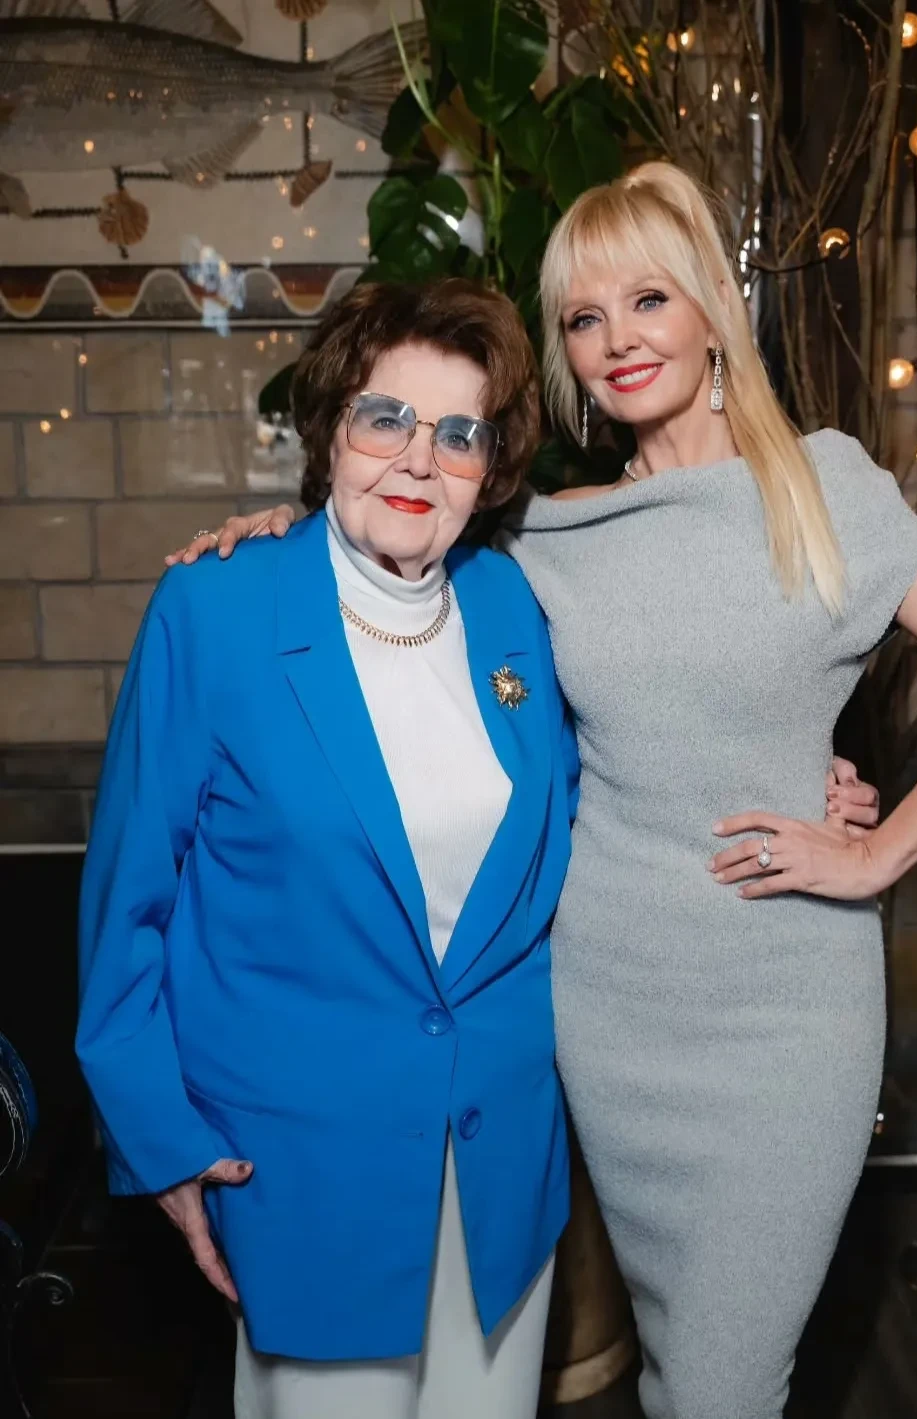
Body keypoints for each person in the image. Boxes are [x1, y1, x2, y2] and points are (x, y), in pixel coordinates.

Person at [162, 161, 917, 1419]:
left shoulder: (828, 492)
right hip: (604, 1005)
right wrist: (274, 534)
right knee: (669, 1366)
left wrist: (876, 850)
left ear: (711, 311)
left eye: (649, 299)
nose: (619, 339)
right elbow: (393, 544)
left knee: (726, 1378)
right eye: (585, 317)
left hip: (784, 1015)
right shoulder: (544, 536)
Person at [77, 279, 579, 1419]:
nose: (418, 461)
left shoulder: (513, 607)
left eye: (459, 434)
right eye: (385, 417)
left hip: (500, 1171)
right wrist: (161, 1140)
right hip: (306, 1177)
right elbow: (127, 904)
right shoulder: (216, 610)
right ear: (331, 428)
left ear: (491, 468)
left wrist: (806, 781)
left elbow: (605, 801)